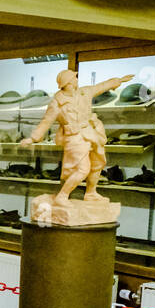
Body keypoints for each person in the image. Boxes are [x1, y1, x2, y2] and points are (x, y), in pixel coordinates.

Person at [20, 68, 133, 207]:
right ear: (67, 82)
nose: (76, 80)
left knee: (98, 163)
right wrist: (33, 138)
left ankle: (90, 193)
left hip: (90, 133)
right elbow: (46, 121)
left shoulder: (84, 92)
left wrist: (119, 80)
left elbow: (101, 87)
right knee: (82, 169)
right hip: (73, 137)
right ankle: (62, 196)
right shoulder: (57, 101)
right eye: (74, 78)